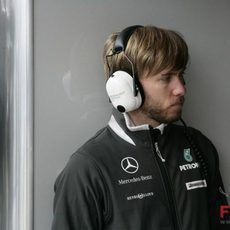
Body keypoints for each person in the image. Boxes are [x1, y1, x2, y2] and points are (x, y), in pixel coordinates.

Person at [51, 25, 228, 230]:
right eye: (166, 78)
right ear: (126, 86)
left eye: (181, 75)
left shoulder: (198, 146)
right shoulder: (86, 169)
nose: (180, 89)